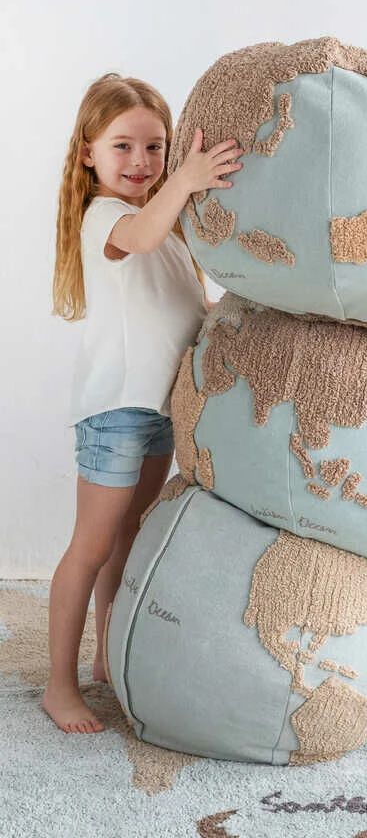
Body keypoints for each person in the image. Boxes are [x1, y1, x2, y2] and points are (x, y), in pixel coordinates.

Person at [44, 73, 244, 733]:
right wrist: (185, 179)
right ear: (88, 154)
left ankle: (106, 656)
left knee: (127, 538)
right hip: (117, 410)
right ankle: (58, 686)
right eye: (123, 146)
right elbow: (140, 237)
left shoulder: (171, 232)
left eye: (155, 147)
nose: (141, 161)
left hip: (158, 408)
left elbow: (190, 307)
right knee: (91, 546)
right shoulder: (107, 217)